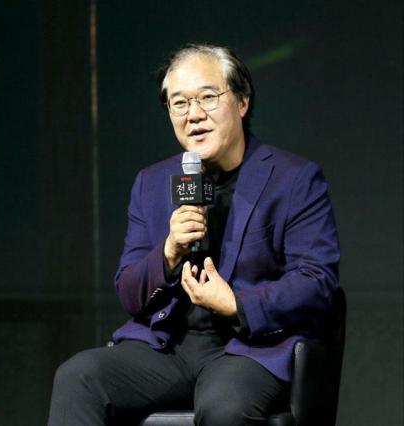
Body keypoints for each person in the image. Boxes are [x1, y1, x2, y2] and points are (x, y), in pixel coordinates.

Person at [47, 43, 340, 426]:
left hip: (249, 348)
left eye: (208, 97)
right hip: (169, 347)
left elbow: (318, 282)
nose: (194, 115)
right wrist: (167, 252)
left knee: (224, 406)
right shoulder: (152, 183)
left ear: (242, 102)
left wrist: (236, 303)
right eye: (179, 103)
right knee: (78, 376)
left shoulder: (294, 178)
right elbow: (129, 290)